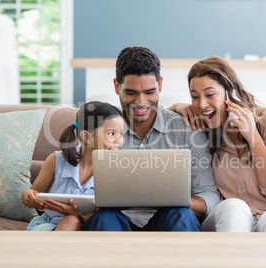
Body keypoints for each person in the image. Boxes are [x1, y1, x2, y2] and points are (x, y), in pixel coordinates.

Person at [84, 47, 220, 231]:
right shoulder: (98, 131)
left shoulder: (188, 130)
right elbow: (77, 184)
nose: (141, 102)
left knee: (182, 215)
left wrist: (177, 199)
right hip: (117, 220)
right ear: (117, 86)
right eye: (131, 92)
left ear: (160, 84)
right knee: (103, 219)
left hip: (169, 220)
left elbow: (209, 196)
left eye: (149, 92)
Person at [168, 56, 266, 232]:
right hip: (227, 217)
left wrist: (253, 137)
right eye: (194, 97)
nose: (202, 105)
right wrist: (177, 106)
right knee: (234, 207)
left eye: (210, 94)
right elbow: (157, 122)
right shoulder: (201, 128)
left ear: (231, 93)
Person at [21, 101, 125, 231]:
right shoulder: (56, 160)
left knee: (71, 220)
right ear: (86, 136)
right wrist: (28, 197)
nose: (118, 140)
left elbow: (99, 216)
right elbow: (32, 191)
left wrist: (74, 215)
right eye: (111, 133)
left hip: (87, 227)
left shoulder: (115, 170)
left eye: (121, 134)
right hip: (49, 225)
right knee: (70, 221)